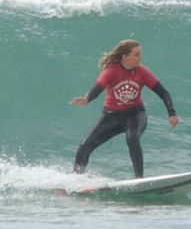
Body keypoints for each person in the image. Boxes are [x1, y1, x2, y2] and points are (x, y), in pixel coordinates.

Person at [71, 39, 179, 178]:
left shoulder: (143, 72)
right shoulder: (111, 71)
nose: (141, 57)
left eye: (140, 54)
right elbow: (98, 88)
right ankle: (76, 178)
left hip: (135, 115)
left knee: (132, 137)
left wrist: (172, 114)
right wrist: (87, 99)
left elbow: (163, 92)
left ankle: (139, 179)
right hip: (111, 117)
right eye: (136, 54)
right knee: (85, 146)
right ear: (125, 57)